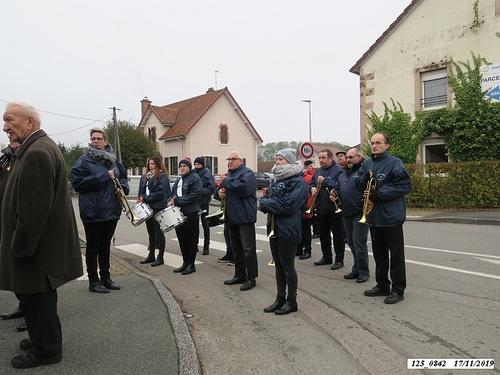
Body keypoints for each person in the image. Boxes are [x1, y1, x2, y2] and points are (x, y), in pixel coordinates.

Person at [1, 102, 83, 368]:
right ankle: (41, 339)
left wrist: (20, 249)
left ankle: (46, 350)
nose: (5, 127)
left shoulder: (36, 152)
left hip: (34, 249)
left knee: (37, 299)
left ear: (29, 123)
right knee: (38, 300)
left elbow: (33, 212)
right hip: (40, 248)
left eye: (9, 120)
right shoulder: (36, 148)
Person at [355, 133, 411, 304]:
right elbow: (357, 183)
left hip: (391, 216)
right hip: (374, 216)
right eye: (372, 143)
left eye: (378, 143)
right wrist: (364, 179)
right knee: (379, 254)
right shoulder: (367, 163)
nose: (374, 145)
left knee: (396, 254)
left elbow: (404, 185)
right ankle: (382, 284)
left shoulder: (395, 163)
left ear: (387, 145)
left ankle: (398, 289)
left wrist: (380, 194)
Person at [71, 127, 129, 293]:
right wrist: (104, 176)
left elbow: (122, 177)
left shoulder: (113, 161)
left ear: (106, 142)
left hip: (111, 210)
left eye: (99, 138)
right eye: (93, 138)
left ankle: (106, 277)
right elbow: (77, 184)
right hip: (93, 212)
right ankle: (93, 281)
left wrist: (123, 187)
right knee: (93, 247)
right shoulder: (84, 161)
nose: (95, 141)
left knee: (105, 246)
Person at [260, 149, 308, 315]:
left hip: (289, 228)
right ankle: (280, 298)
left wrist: (267, 203)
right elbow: (265, 198)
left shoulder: (298, 181)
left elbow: (288, 206)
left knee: (288, 266)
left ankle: (292, 301)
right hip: (274, 227)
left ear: (290, 161)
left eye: (280, 159)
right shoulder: (276, 179)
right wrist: (267, 202)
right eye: (276, 158)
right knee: (278, 266)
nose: (277, 161)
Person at [216, 151, 258, 291]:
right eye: (228, 159)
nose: (230, 161)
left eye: (233, 159)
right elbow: (221, 192)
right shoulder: (229, 175)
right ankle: (239, 275)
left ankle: (251, 278)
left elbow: (244, 188)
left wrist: (225, 181)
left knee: (248, 250)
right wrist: (219, 193)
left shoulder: (248, 173)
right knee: (237, 250)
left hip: (244, 217)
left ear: (241, 161)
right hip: (231, 217)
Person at [0, 140, 28, 332]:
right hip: (3, 217)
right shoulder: (6, 158)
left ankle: (31, 311)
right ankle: (23, 306)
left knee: (24, 268)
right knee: (12, 268)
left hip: (17, 219)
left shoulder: (27, 157)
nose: (11, 140)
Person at [336, 148, 370, 283]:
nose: (348, 160)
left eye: (351, 157)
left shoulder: (363, 170)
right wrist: (335, 193)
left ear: (359, 157)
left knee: (359, 243)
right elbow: (339, 187)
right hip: (346, 212)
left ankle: (363, 271)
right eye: (347, 157)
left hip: (359, 212)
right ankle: (356, 269)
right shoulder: (343, 172)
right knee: (350, 242)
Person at [310, 149, 346, 269]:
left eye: (323, 158)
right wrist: (312, 189)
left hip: (334, 209)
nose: (320, 160)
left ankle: (339, 259)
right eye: (319, 158)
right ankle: (326, 257)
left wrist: (325, 181)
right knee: (323, 234)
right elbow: (311, 183)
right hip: (321, 208)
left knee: (337, 235)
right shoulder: (318, 171)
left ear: (331, 159)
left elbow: (340, 186)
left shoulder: (339, 170)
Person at [168, 159, 202, 275]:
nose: (182, 168)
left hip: (190, 212)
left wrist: (178, 201)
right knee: (181, 239)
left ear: (189, 167)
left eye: (184, 166)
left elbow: (195, 195)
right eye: (180, 166)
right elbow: (173, 194)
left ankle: (191, 264)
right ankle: (185, 262)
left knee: (190, 239)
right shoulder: (179, 180)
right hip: (179, 213)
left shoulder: (194, 178)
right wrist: (171, 200)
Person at [137, 156, 171, 266]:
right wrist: (141, 197)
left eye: (152, 164)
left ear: (158, 164)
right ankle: (151, 255)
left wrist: (145, 198)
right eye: (149, 164)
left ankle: (160, 257)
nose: (150, 166)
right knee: (151, 232)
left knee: (158, 232)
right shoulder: (146, 177)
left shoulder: (162, 176)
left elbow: (160, 193)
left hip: (158, 207)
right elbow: (142, 190)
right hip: (148, 207)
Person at [193, 156, 215, 255]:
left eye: (198, 164)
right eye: (195, 164)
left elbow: (211, 189)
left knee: (205, 225)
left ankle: (206, 246)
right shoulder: (193, 172)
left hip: (204, 202)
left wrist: (199, 192)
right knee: (194, 225)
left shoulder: (207, 173)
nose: (197, 166)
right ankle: (195, 245)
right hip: (195, 203)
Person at [296, 160, 314, 260]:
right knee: (298, 231)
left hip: (305, 207)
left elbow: (311, 194)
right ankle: (299, 249)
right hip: (296, 209)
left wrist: (309, 206)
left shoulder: (308, 178)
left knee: (306, 231)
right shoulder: (295, 177)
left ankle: (307, 250)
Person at [304, 160, 320, 239]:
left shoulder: (315, 174)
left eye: (307, 166)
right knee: (312, 217)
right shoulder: (306, 175)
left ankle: (316, 231)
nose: (306, 168)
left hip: (315, 198)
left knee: (315, 217)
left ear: (311, 166)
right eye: (305, 166)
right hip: (309, 198)